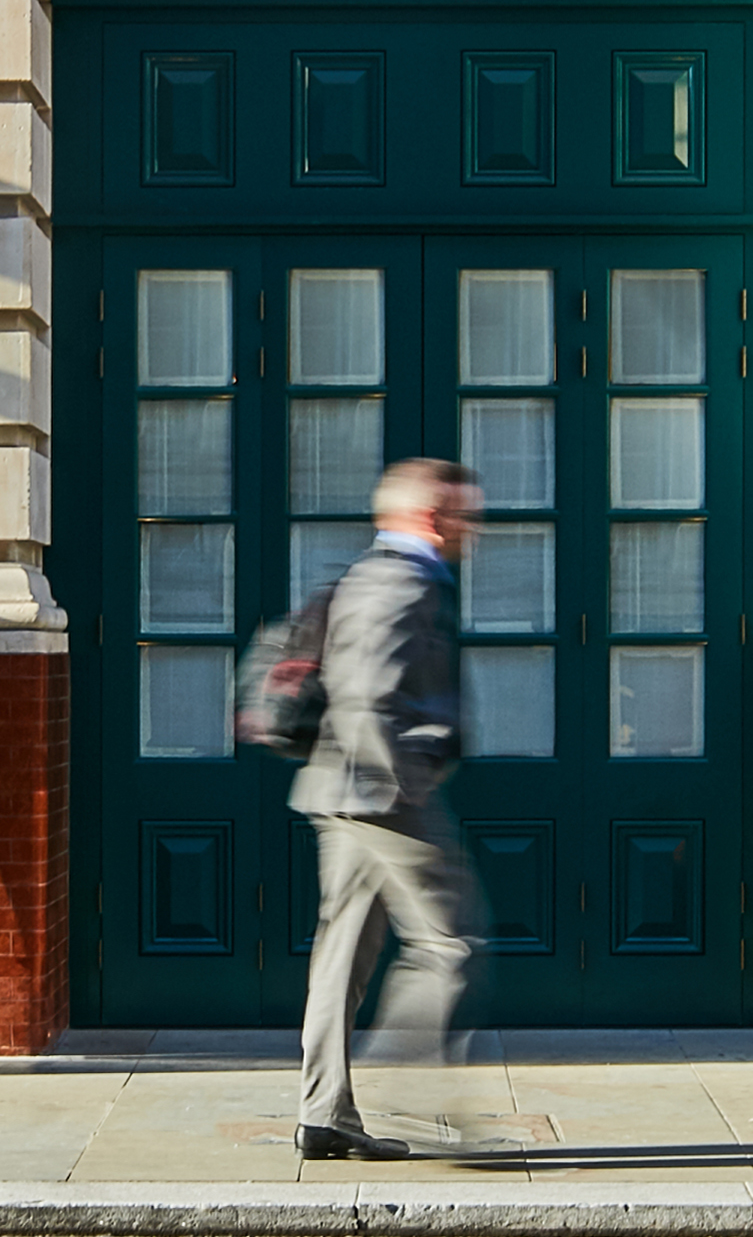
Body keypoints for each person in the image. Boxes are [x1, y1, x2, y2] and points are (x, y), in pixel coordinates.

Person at [294, 453, 482, 1161]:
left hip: (341, 792)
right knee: (450, 944)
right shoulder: (402, 580)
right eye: (465, 514)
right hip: (379, 794)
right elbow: (368, 693)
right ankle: (411, 1083)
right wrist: (404, 790)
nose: (472, 528)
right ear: (432, 517)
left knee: (341, 956)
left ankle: (325, 1114)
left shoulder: (375, 574)